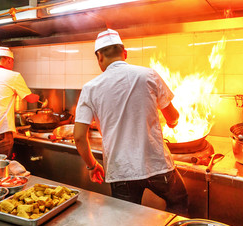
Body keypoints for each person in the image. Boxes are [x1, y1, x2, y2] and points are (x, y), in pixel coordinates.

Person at [74, 29, 188, 216]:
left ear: (99, 57)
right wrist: (173, 123)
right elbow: (173, 116)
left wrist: (92, 165)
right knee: (179, 202)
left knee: (126, 221)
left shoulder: (90, 89)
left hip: (121, 172)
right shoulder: (149, 75)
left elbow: (78, 137)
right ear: (124, 53)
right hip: (158, 166)